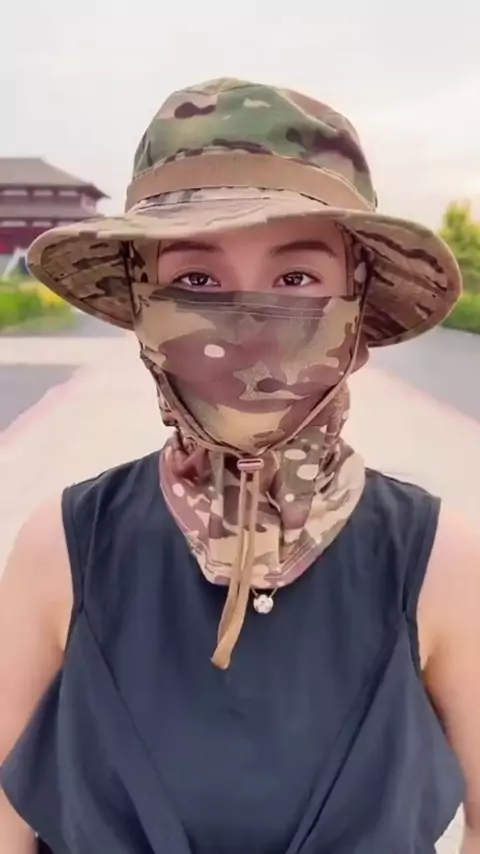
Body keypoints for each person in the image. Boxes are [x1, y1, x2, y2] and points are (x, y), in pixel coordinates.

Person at [0, 77, 479, 854]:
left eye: (296, 279)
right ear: (144, 303)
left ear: (356, 302)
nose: (249, 328)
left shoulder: (442, 564)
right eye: (196, 281)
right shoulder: (58, 549)